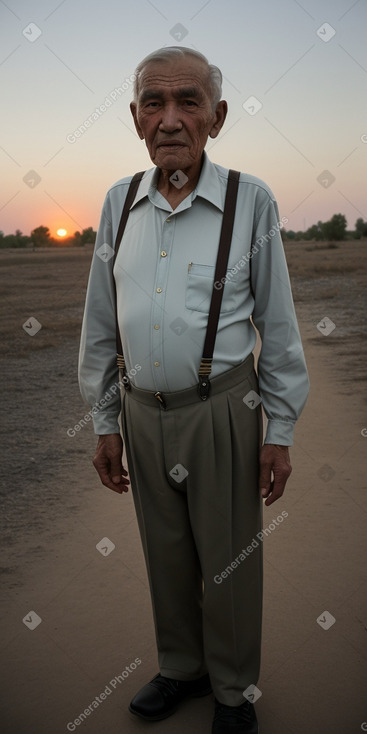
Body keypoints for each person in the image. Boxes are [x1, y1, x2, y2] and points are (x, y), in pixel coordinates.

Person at [78, 46, 309, 734]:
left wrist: (279, 431)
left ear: (217, 117)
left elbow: (278, 326)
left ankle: (233, 690)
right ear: (134, 118)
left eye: (188, 102)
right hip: (143, 415)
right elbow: (99, 321)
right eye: (154, 102)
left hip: (223, 412)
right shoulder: (119, 203)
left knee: (229, 558)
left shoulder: (250, 201)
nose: (170, 118)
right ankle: (181, 667)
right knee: (167, 554)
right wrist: (105, 419)